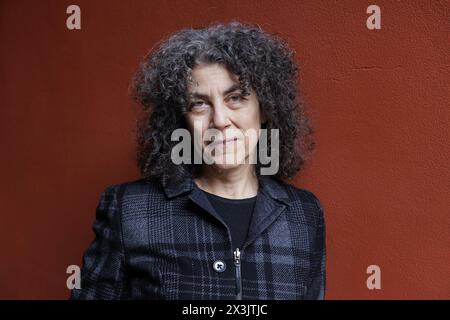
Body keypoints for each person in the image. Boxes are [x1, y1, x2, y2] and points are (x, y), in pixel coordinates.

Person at [70, 21, 326, 300]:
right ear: (183, 120)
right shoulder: (130, 210)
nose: (219, 120)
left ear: (264, 108)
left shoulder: (304, 214)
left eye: (236, 98)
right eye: (199, 104)